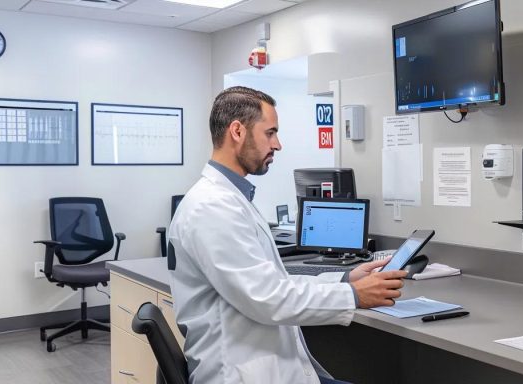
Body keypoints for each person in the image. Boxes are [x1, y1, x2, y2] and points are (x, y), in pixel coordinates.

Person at [168, 86, 409, 384]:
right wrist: (354, 295)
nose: (278, 145)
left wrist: (345, 279)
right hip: (239, 375)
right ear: (237, 131)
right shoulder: (213, 207)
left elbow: (271, 283)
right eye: (270, 133)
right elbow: (267, 297)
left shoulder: (229, 199)